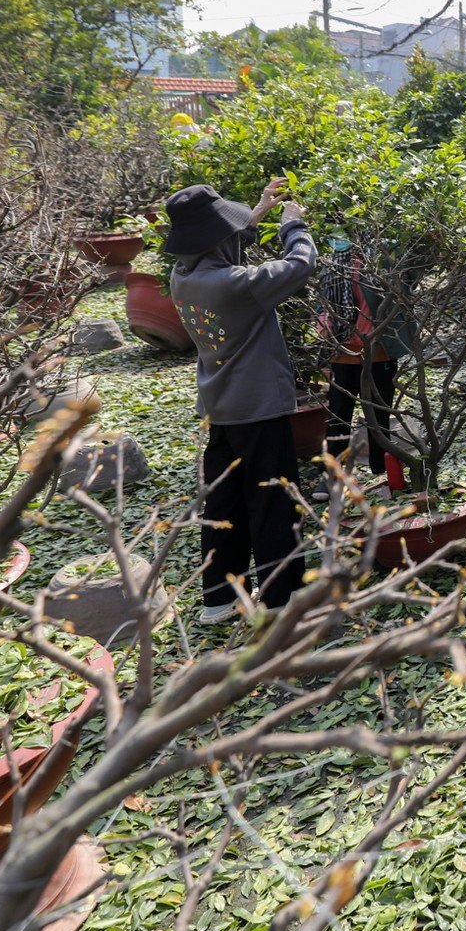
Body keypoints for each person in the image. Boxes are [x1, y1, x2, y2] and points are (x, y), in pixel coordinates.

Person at [165, 179, 316, 623]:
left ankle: (219, 598)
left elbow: (222, 249)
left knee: (224, 504)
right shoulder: (235, 285)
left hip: (221, 409)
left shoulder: (184, 276)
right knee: (272, 500)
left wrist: (257, 214)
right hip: (260, 408)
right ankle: (280, 599)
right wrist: (294, 226)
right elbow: (300, 264)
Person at [313, 235, 415, 503]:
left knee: (379, 416)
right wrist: (322, 321)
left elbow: (407, 283)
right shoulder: (333, 259)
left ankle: (384, 471)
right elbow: (321, 299)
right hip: (343, 351)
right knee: (338, 416)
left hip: (379, 351)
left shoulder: (384, 256)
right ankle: (330, 474)